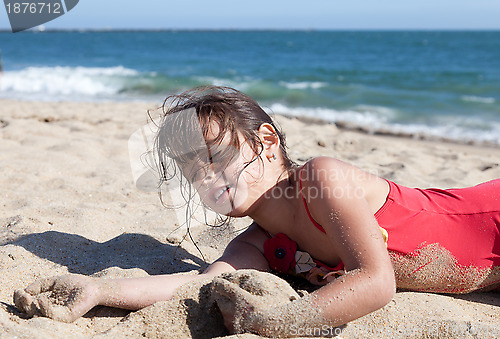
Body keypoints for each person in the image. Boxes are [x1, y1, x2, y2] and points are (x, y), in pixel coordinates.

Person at [13, 86, 500, 336]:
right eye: (191, 172)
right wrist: (100, 289)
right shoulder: (262, 243)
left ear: (267, 144)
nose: (206, 178)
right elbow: (196, 285)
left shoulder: (321, 179)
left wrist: (271, 324)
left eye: (217, 158)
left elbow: (376, 281)